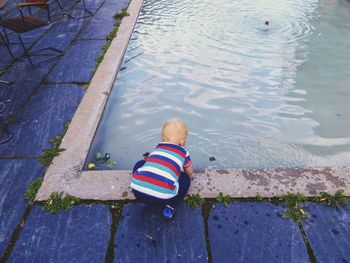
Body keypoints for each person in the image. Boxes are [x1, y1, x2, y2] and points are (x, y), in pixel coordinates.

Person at [130, 118, 193, 218]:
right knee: (185, 179)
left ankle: (144, 201)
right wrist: (182, 173)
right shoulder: (183, 152)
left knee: (140, 163)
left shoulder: (157, 146)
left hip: (138, 193)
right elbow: (189, 172)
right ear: (182, 141)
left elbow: (156, 161)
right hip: (164, 199)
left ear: (163, 138)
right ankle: (170, 207)